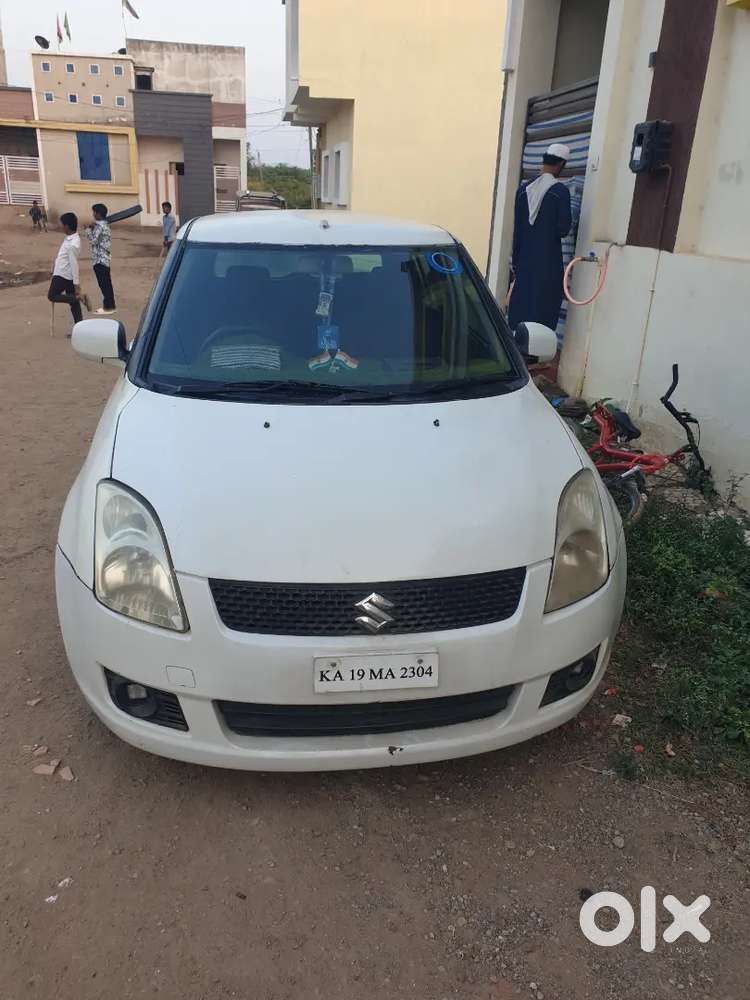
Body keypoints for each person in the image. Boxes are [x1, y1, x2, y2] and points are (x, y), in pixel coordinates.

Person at [507, 143, 572, 335]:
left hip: (524, 261)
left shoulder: (522, 191)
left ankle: (519, 347)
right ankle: (537, 354)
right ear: (560, 165)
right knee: (544, 306)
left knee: (523, 304)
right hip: (548, 263)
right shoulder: (560, 192)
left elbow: (517, 230)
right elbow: (563, 229)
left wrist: (516, 263)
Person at [47, 212, 90, 333]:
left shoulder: (73, 244)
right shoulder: (70, 239)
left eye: (62, 224)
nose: (60, 226)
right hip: (63, 273)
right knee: (74, 306)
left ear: (67, 226)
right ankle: (80, 329)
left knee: (52, 295)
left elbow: (74, 264)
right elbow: (62, 257)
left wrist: (77, 284)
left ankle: (77, 298)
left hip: (63, 275)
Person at [85, 203, 116, 314]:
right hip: (104, 258)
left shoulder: (99, 226)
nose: (93, 214)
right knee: (107, 283)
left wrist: (88, 229)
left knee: (104, 284)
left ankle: (108, 307)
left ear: (98, 213)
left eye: (94, 212)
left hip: (99, 259)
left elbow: (93, 240)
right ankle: (110, 305)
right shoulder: (105, 225)